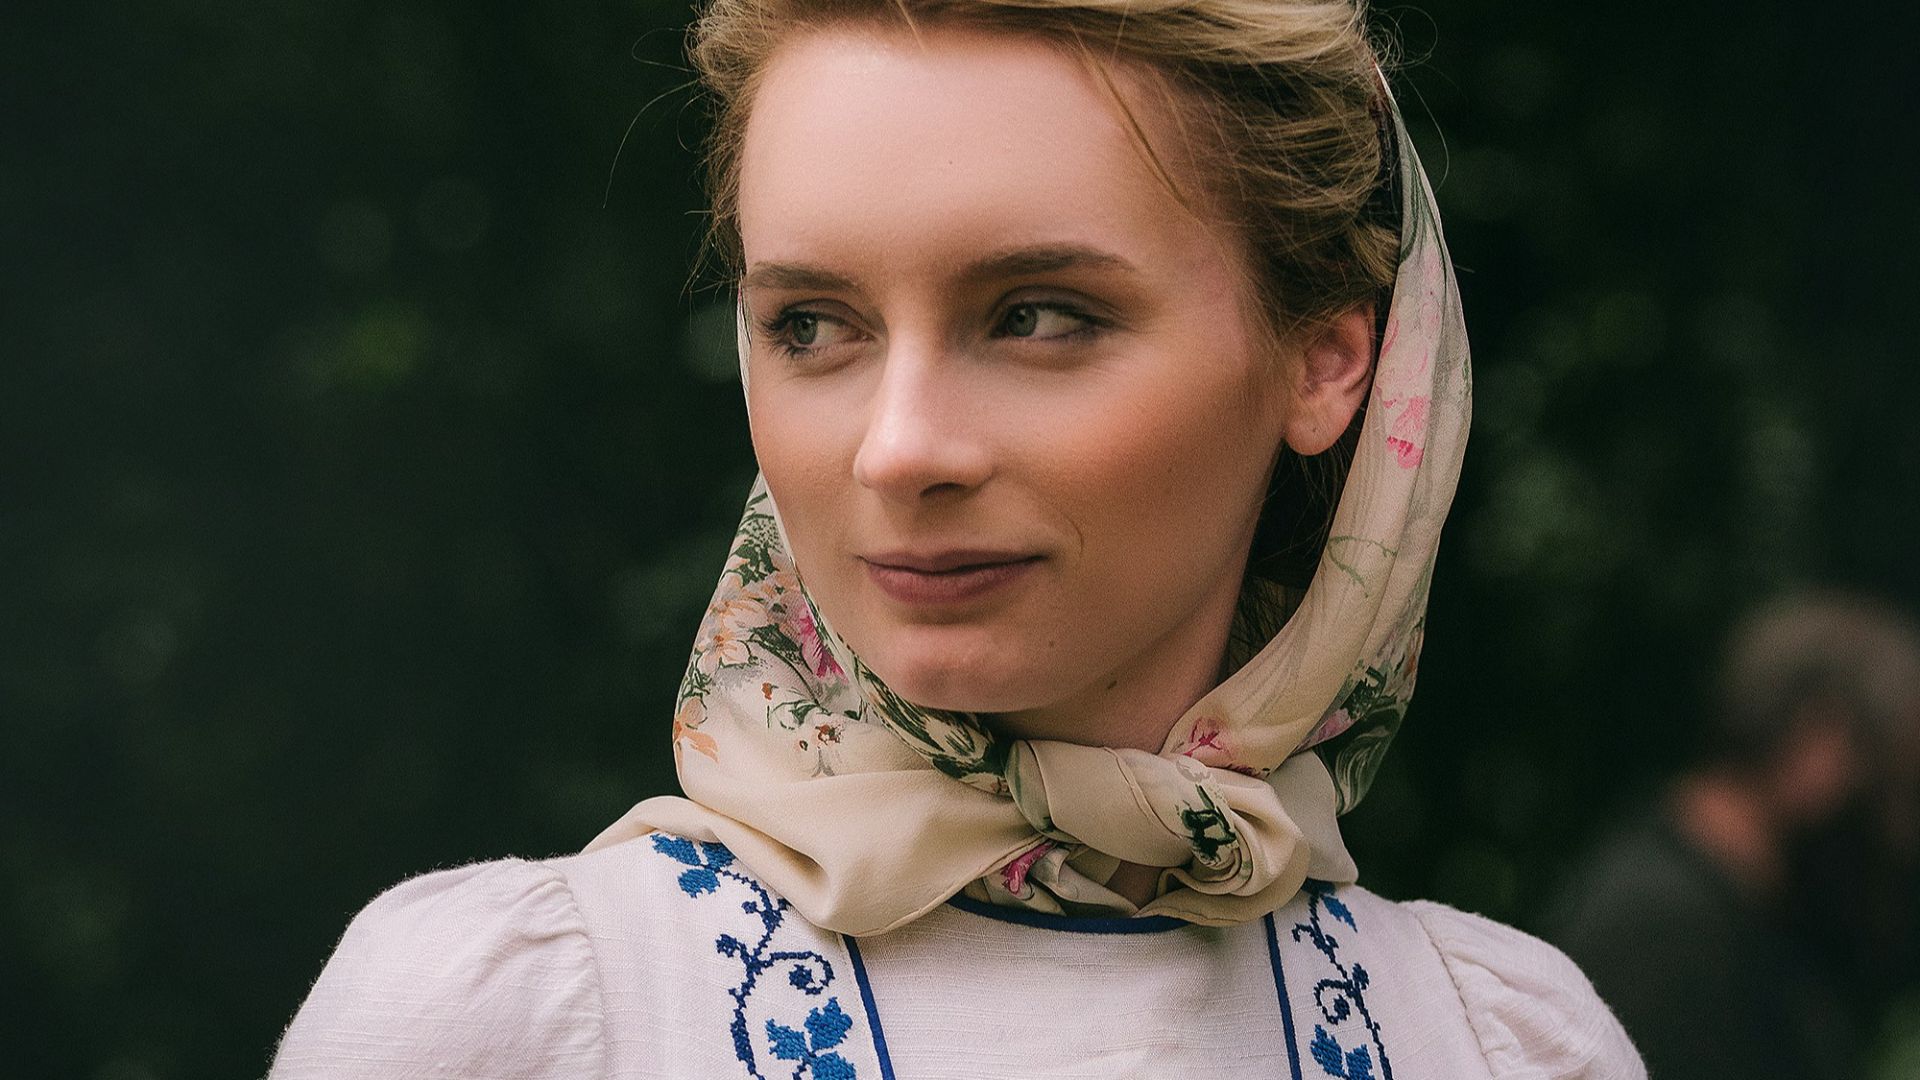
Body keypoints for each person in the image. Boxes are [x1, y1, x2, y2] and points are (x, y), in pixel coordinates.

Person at [270, 0, 1644, 1075]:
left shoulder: (1502, 1045)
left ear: (1328, 360)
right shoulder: (515, 1026)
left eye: (1039, 313)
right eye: (811, 326)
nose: (900, 446)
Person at [1545, 593, 1920, 1080]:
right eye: (1899, 794)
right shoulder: (1663, 935)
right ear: (1817, 742)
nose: (1904, 837)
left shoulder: (1744, 923)